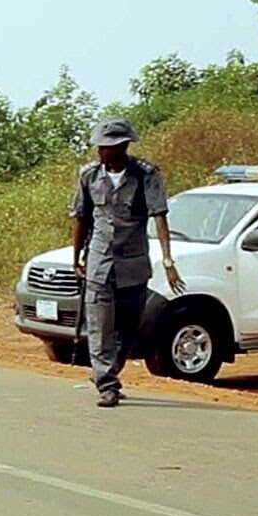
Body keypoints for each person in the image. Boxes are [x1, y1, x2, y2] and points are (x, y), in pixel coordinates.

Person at [70, 118, 186, 408]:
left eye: (106, 147)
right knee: (99, 326)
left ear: (122, 147)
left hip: (133, 264)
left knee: (128, 328)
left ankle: (110, 369)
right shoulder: (89, 175)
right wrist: (77, 259)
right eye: (99, 146)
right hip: (99, 262)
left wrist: (168, 260)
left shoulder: (146, 175)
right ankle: (106, 383)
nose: (100, 152)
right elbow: (81, 218)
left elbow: (160, 216)